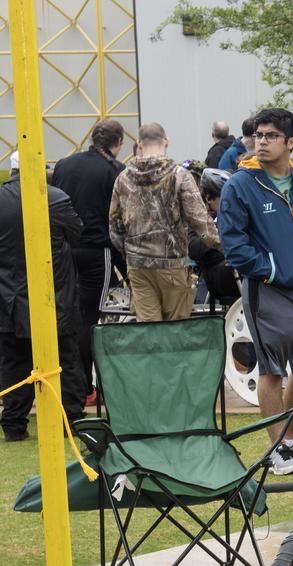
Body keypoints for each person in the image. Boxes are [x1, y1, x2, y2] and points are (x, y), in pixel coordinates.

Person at [217, 107, 293, 475]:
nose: (261, 142)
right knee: (271, 371)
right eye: (258, 135)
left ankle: (292, 443)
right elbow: (233, 242)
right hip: (268, 290)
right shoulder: (241, 184)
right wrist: (268, 269)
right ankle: (274, 450)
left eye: (270, 136)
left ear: (290, 143)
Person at [0, 152, 87, 441]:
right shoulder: (55, 197)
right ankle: (71, 421)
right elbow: (77, 232)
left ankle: (13, 425)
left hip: (9, 298)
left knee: (14, 362)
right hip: (53, 295)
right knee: (65, 360)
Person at [109, 122, 219, 322]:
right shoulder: (179, 176)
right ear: (166, 142)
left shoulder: (122, 178)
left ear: (139, 144)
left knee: (149, 328)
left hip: (138, 266)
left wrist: (130, 253)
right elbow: (201, 222)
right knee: (175, 328)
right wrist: (224, 247)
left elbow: (115, 227)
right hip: (172, 264)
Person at [51, 118, 125, 397]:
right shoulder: (115, 170)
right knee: (91, 318)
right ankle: (87, 385)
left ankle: (72, 383)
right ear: (118, 143)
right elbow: (119, 218)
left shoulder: (64, 165)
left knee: (69, 315)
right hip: (98, 249)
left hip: (64, 250)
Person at [188, 167, 241, 311]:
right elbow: (194, 248)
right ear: (208, 198)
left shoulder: (239, 217)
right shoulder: (201, 222)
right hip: (222, 279)